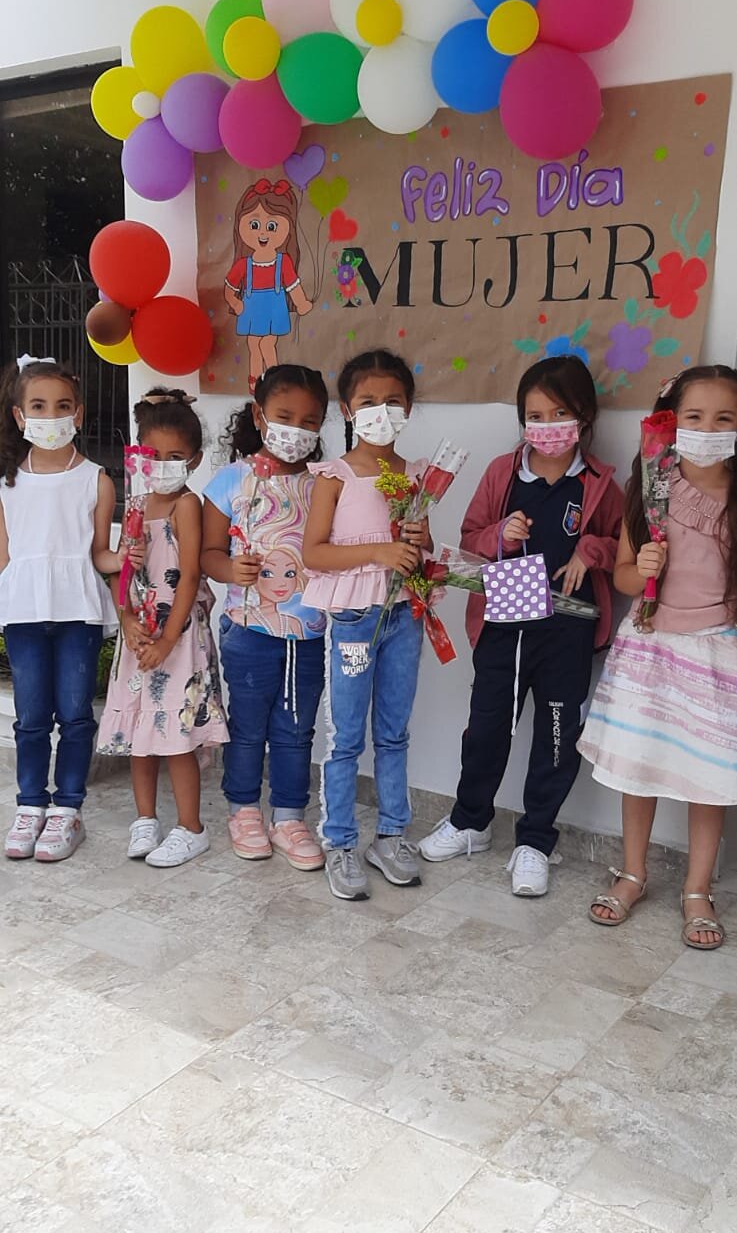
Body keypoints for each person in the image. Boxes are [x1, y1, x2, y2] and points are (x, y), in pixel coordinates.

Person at [419, 353, 623, 897]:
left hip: (569, 631)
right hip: (505, 622)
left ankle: (535, 841)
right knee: (486, 728)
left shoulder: (601, 483)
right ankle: (469, 822)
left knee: (558, 735)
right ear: (522, 419)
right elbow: (469, 540)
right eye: (536, 414)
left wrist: (592, 550)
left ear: (583, 416)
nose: (548, 426)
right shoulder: (501, 473)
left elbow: (623, 543)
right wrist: (501, 538)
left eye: (560, 412)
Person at [580, 365, 737, 950]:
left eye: (725, 419)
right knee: (636, 766)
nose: (710, 428)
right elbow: (621, 573)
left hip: (718, 654)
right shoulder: (654, 483)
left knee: (710, 777)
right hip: (652, 649)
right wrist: (638, 569)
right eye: (695, 417)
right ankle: (633, 873)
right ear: (672, 421)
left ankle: (698, 890)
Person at [302, 349, 429, 901]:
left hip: (404, 616)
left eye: (393, 401)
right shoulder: (335, 476)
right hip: (354, 620)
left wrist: (417, 548)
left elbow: (417, 552)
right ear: (348, 409)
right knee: (346, 735)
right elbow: (314, 554)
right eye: (368, 401)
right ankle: (340, 841)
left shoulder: (418, 476)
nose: (382, 411)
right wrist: (380, 550)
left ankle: (392, 836)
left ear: (409, 407)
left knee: (395, 731)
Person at [202, 363, 328, 872]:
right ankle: (243, 810)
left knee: (296, 730)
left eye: (309, 420)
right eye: (284, 416)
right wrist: (231, 568)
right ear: (260, 415)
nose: (295, 430)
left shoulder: (327, 484)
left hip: (307, 633)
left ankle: (290, 816)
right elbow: (209, 553)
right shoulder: (231, 479)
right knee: (249, 726)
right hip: (248, 631)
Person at [97, 387, 228, 867]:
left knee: (176, 733)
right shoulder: (134, 506)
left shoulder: (186, 506)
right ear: (139, 452)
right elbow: (121, 572)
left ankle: (191, 827)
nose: (165, 464)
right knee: (138, 732)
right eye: (155, 454)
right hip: (140, 638)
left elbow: (191, 573)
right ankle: (145, 820)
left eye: (176, 456)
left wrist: (169, 638)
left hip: (178, 637)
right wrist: (126, 620)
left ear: (192, 460)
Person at [0, 354, 122, 862]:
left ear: (79, 413)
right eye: (39, 406)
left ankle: (68, 809)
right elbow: (5, 558)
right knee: (30, 715)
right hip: (25, 610)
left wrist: (126, 558)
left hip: (77, 609)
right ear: (19, 415)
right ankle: (31, 804)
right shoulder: (7, 484)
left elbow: (98, 552)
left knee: (74, 713)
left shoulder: (96, 479)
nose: (51, 416)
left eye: (62, 406)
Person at [223, 178, 312, 391]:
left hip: (274, 307)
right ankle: (255, 379)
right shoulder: (244, 264)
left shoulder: (284, 262)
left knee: (267, 343)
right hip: (252, 308)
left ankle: (274, 380)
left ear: (287, 229)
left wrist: (301, 303)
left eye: (272, 226)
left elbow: (292, 285)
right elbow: (230, 288)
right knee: (253, 344)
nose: (262, 233)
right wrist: (234, 302)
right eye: (254, 225)